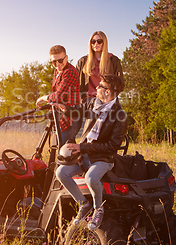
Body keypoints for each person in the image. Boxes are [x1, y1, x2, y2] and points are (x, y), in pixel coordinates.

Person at [54, 74, 127, 231]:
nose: (97, 88)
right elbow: (78, 110)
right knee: (61, 173)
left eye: (100, 86)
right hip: (85, 155)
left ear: (108, 91)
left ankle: (98, 209)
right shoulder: (93, 104)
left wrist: (82, 148)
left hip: (103, 158)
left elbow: (112, 146)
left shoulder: (120, 115)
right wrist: (65, 109)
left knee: (91, 177)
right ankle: (84, 204)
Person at [36, 45, 81, 146]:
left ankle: (86, 162)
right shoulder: (57, 70)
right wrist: (51, 105)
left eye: (60, 60)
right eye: (54, 62)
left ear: (67, 58)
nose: (57, 64)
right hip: (60, 113)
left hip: (70, 115)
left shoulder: (70, 72)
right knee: (60, 148)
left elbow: (58, 96)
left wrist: (43, 98)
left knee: (65, 150)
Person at [76, 31, 123, 102]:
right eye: (93, 41)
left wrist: (110, 97)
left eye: (99, 41)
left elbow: (120, 83)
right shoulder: (83, 61)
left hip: (107, 101)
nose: (96, 44)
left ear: (104, 43)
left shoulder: (114, 61)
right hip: (87, 101)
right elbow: (76, 84)